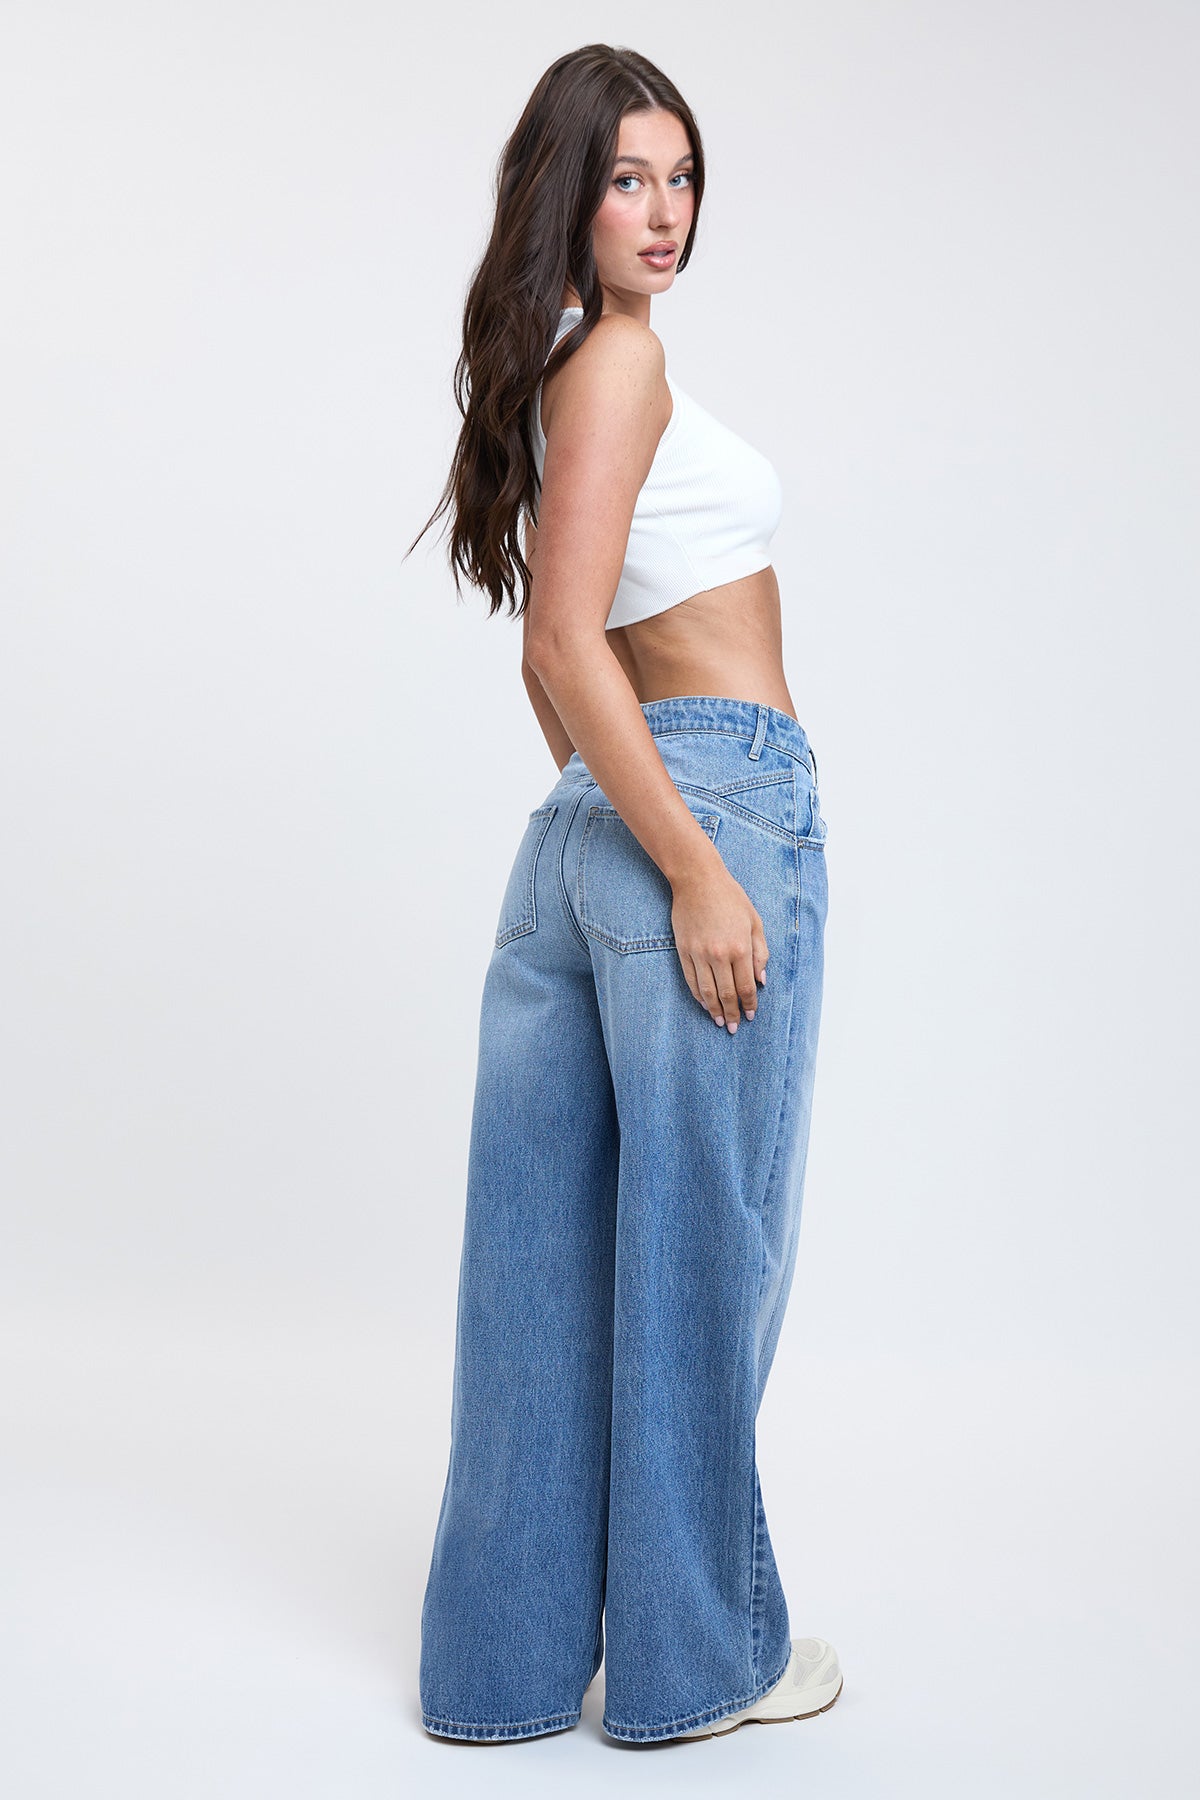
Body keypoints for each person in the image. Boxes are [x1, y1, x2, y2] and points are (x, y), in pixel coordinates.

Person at [409, 43, 841, 1745]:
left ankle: (502, 1675)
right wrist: (697, 863)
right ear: (568, 197)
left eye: (681, 177)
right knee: (697, 1256)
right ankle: (697, 1665)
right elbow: (561, 639)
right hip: (706, 802)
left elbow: (564, 665)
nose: (664, 212)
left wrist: (615, 813)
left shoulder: (556, 369)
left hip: (597, 815)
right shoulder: (624, 362)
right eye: (627, 180)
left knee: (535, 1268)